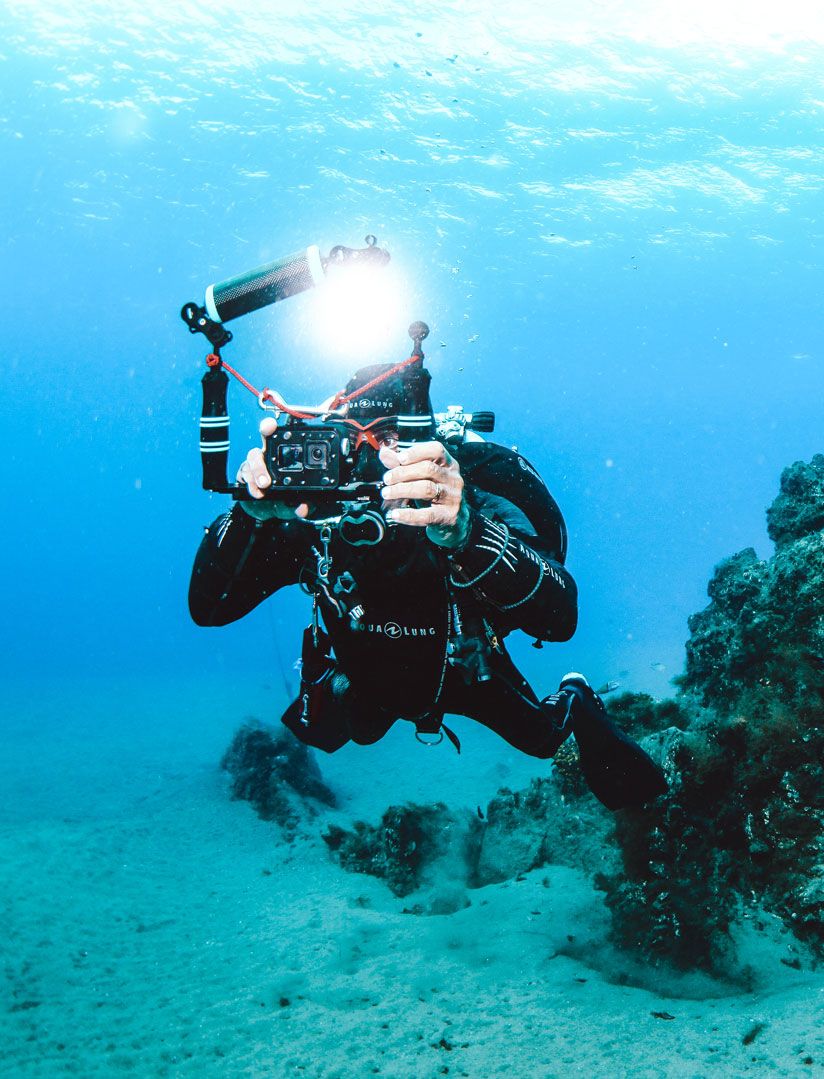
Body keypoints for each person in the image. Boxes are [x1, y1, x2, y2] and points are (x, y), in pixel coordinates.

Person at [189, 363, 666, 810]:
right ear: (333, 442)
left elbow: (561, 617)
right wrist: (250, 517)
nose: (379, 461)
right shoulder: (317, 518)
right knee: (339, 733)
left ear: (431, 440)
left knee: (541, 739)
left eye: (396, 439)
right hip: (366, 671)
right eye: (360, 441)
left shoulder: (469, 498)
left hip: (464, 664)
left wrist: (466, 533)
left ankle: (577, 696)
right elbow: (209, 608)